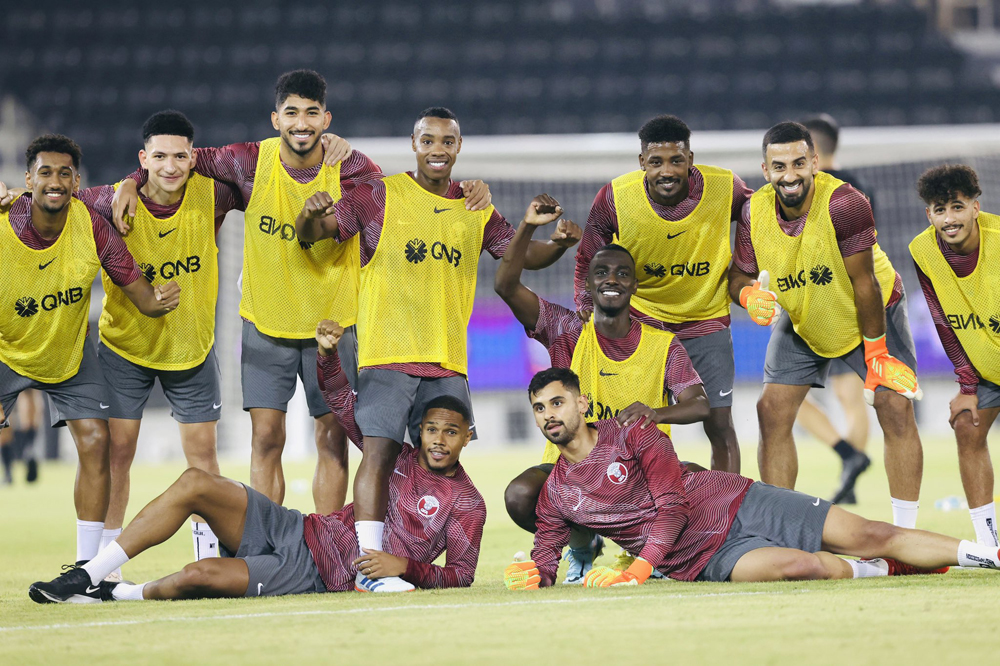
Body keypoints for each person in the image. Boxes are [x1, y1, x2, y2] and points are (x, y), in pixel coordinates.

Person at [111, 71, 480, 514]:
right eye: (291, 113)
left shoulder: (354, 168)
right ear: (275, 118)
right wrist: (132, 181)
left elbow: (412, 199)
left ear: (326, 119)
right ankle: (268, 539)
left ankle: (326, 541)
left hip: (333, 326)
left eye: (310, 113)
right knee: (266, 439)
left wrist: (465, 191)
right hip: (265, 323)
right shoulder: (247, 161)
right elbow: (173, 159)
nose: (300, 123)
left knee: (332, 440)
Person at [295, 106, 580, 592]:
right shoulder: (378, 193)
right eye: (428, 141)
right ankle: (369, 569)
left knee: (444, 467)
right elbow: (313, 236)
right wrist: (308, 215)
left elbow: (517, 254)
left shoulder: (475, 207)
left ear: (458, 148)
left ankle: (428, 562)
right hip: (387, 353)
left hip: (447, 359)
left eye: (447, 142)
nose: (438, 150)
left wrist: (553, 242)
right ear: (414, 144)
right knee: (379, 456)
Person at [503, 368, 1000, 590]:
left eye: (557, 402)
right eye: (540, 408)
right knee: (805, 567)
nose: (549, 415)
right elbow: (547, 549)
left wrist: (637, 569)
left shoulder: (633, 432)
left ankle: (989, 557)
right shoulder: (557, 493)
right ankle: (889, 570)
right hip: (704, 556)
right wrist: (534, 575)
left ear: (581, 403)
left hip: (738, 502)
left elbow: (672, 505)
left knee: (873, 534)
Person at [27, 369, 486, 603]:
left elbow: (460, 575)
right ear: (418, 431)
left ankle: (119, 593)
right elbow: (345, 407)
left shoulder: (467, 503)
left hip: (314, 577)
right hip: (296, 528)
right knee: (195, 482)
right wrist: (327, 356)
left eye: (451, 431)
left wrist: (401, 566)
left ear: (468, 435)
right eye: (431, 429)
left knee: (197, 576)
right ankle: (87, 576)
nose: (439, 440)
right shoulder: (393, 457)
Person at [728, 122, 924, 529]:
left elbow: (865, 283)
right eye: (779, 166)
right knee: (771, 408)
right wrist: (749, 296)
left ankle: (907, 534)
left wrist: (876, 353)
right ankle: (781, 529)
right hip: (803, 316)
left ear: (815, 162)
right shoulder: (752, 211)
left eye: (799, 163)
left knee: (894, 406)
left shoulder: (844, 203)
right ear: (765, 171)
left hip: (866, 311)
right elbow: (738, 275)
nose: (790, 175)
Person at [68, 110, 241, 569]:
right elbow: (53, 201)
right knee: (117, 455)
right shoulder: (107, 202)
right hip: (126, 348)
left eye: (180, 156)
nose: (170, 166)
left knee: (203, 456)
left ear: (193, 158)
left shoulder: (215, 194)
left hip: (191, 346)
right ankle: (104, 565)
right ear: (142, 158)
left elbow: (273, 183)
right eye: (159, 156)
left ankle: (207, 560)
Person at [0, 134, 179, 565]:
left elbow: (136, 287)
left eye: (65, 173)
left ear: (77, 181)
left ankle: (85, 569)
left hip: (69, 354)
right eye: (45, 173)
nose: (55, 181)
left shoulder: (92, 223)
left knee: (98, 439)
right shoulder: (5, 220)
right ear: (28, 179)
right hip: (5, 352)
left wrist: (158, 301)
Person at [495, 231, 709, 581]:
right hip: (572, 478)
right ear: (587, 285)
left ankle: (649, 552)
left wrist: (656, 413)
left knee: (699, 478)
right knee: (520, 494)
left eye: (622, 273)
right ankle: (583, 547)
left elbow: (700, 405)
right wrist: (530, 226)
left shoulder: (662, 344)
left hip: (641, 477)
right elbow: (505, 285)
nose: (612, 279)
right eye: (602, 272)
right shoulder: (566, 330)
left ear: (635, 286)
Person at [574, 115, 752, 474]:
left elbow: (754, 210)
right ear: (642, 163)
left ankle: (729, 516)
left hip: (706, 321)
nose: (666, 171)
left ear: (690, 159)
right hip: (644, 325)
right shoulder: (615, 197)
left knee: (719, 424)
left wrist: (744, 268)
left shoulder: (725, 187)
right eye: (656, 162)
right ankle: (607, 505)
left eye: (676, 160)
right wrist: (586, 301)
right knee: (626, 427)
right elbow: (587, 254)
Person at [910, 164, 1000, 547]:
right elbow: (943, 320)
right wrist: (966, 384)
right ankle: (989, 541)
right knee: (967, 424)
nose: (950, 219)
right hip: (985, 370)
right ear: (929, 214)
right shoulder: (922, 250)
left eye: (958, 207)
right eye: (940, 209)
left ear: (976, 208)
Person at [795, 114, 873, 504]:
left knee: (785, 399)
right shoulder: (860, 187)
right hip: (858, 305)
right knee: (851, 398)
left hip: (821, 305)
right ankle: (851, 476)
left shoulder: (815, 189)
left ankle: (847, 457)